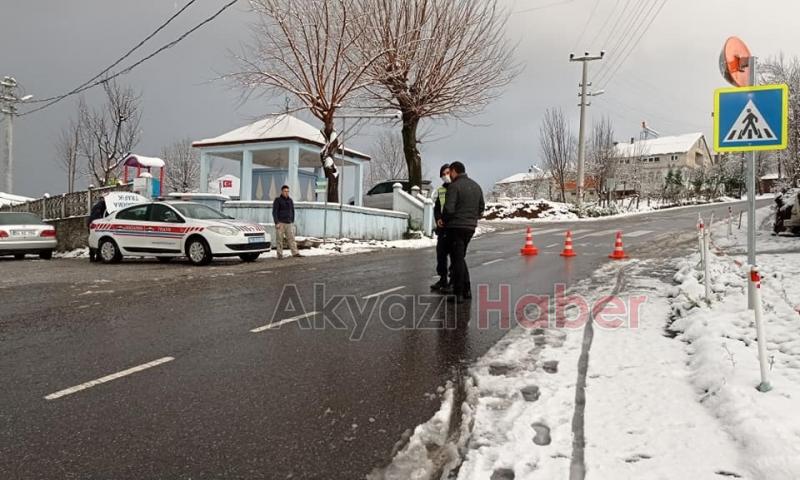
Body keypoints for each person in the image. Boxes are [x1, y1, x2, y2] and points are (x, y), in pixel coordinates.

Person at [442, 161, 485, 304]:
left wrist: (444, 221)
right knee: (460, 258)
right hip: (470, 228)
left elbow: (449, 208)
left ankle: (458, 293)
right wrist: (472, 218)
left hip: (456, 227)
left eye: (450, 173)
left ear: (454, 171)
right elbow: (481, 208)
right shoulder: (476, 186)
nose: (449, 176)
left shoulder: (454, 187)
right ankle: (466, 290)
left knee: (457, 259)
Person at [431, 163, 452, 292]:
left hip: (453, 227)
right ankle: (442, 279)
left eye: (447, 173)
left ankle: (453, 281)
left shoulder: (457, 187)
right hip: (443, 227)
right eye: (443, 174)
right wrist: (438, 218)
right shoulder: (441, 190)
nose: (445, 176)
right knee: (441, 254)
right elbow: (437, 207)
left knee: (455, 256)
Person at [272, 185, 302, 259]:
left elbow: (292, 211)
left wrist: (292, 220)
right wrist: (276, 222)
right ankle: (279, 254)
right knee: (279, 239)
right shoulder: (278, 200)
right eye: (285, 191)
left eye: (288, 191)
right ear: (282, 191)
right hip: (280, 223)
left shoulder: (290, 200)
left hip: (289, 223)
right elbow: (274, 212)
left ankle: (295, 253)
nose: (286, 193)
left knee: (291, 239)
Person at [87, 195, 107, 262]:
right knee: (96, 240)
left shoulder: (98, 206)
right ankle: (95, 257)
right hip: (95, 225)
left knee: (94, 240)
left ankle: (94, 257)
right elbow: (98, 216)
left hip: (92, 224)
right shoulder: (101, 206)